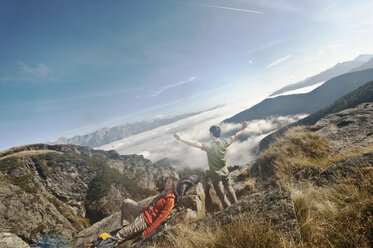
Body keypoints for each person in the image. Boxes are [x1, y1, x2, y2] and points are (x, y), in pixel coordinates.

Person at [173, 122, 247, 208]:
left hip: (215, 174)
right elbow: (235, 135)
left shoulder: (210, 146)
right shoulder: (225, 143)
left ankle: (230, 209)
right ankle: (237, 205)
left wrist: (181, 139)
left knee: (221, 194)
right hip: (225, 171)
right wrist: (243, 128)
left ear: (211, 134)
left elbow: (196, 144)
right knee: (229, 188)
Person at [114, 177, 179, 245]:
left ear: (173, 186)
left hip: (146, 220)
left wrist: (147, 232)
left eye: (169, 183)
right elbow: (152, 204)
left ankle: (110, 243)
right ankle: (127, 225)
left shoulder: (170, 200)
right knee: (126, 202)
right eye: (166, 182)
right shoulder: (164, 193)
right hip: (143, 212)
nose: (166, 184)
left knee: (120, 234)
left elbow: (161, 218)